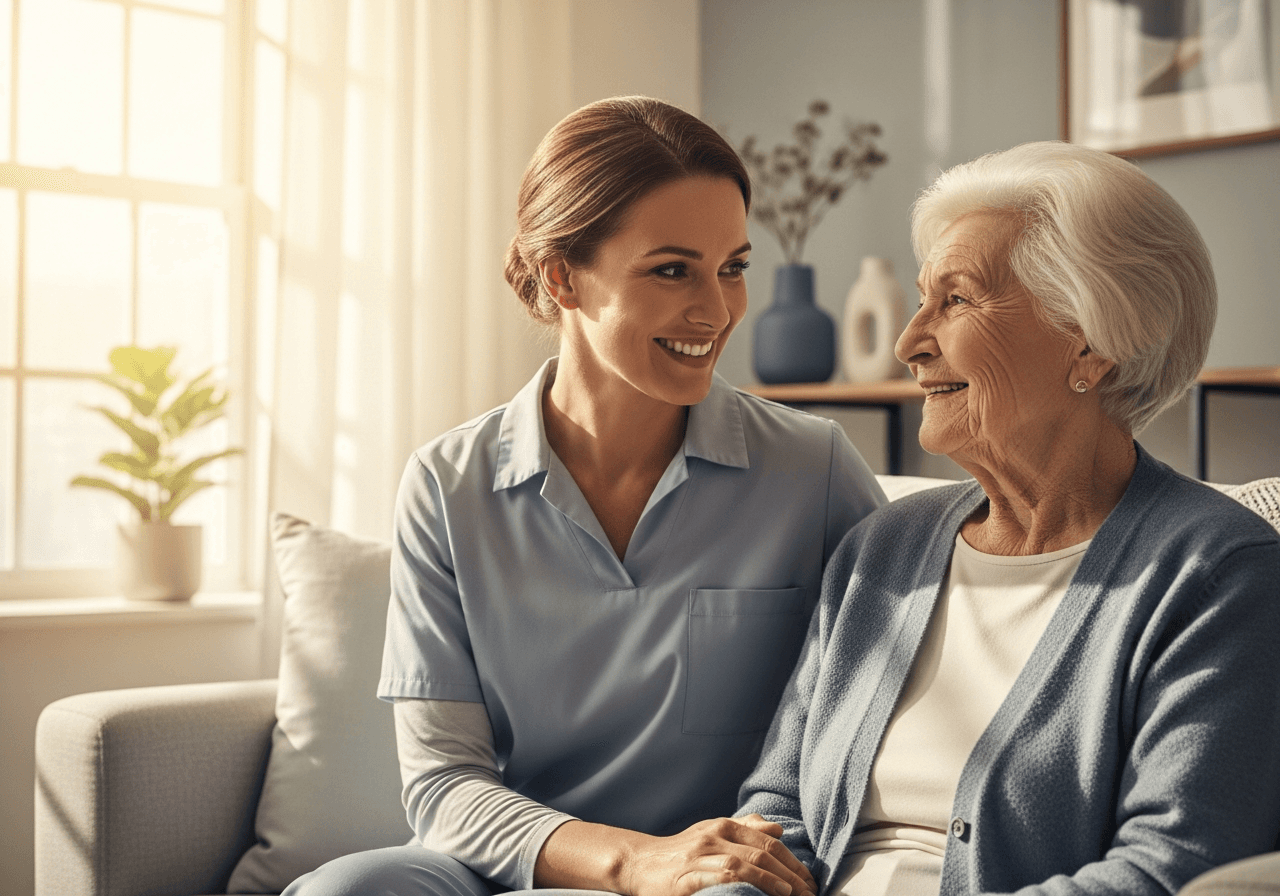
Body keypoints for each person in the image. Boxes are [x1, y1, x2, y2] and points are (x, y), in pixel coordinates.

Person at [284, 96, 884, 896]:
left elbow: (892, 705)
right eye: (672, 270)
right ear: (561, 275)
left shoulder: (815, 471)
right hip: (517, 867)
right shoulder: (447, 485)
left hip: (719, 875)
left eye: (732, 267)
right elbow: (443, 786)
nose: (716, 309)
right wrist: (634, 860)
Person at [702, 141, 1280, 896]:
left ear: (1093, 343)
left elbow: (1172, 867)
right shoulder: (883, 548)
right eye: (919, 300)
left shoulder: (1218, 573)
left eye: (957, 299)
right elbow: (777, 818)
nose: (910, 343)